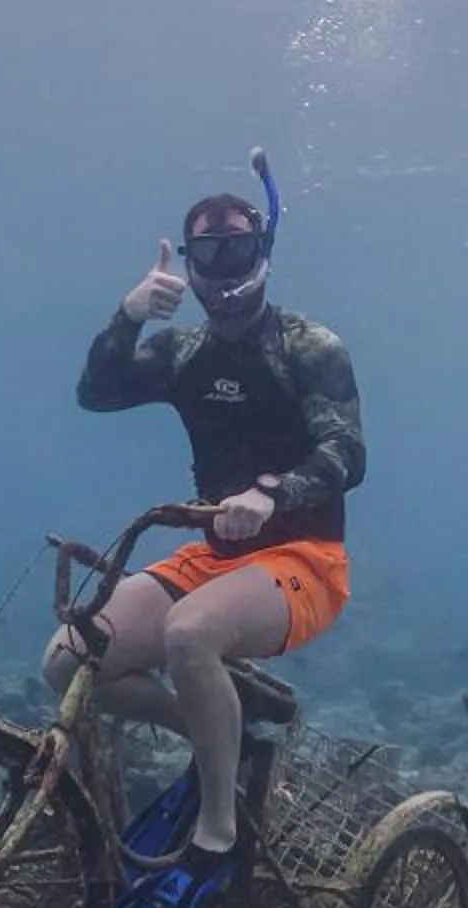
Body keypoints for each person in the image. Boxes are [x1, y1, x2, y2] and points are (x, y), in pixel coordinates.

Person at [48, 187, 365, 857]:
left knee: (189, 633)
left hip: (305, 560)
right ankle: (221, 735)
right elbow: (96, 394)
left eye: (238, 246)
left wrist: (273, 493)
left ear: (263, 250)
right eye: (209, 250)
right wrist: (129, 315)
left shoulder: (310, 347)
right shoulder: (182, 353)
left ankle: (216, 833)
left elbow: (346, 452)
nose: (224, 267)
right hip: (217, 558)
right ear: (190, 263)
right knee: (68, 660)